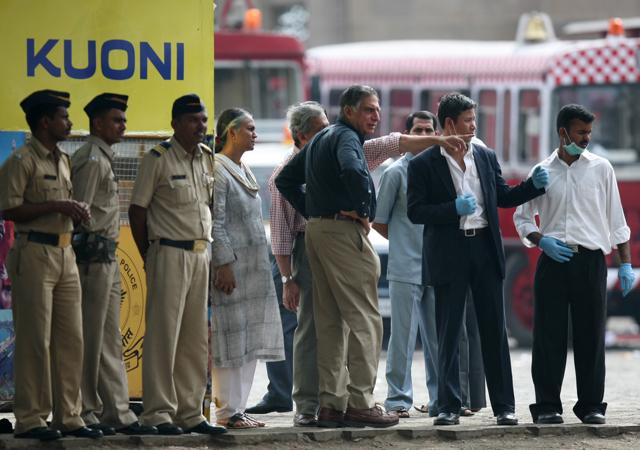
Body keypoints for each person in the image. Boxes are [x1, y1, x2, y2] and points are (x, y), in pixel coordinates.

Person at [276, 86, 467, 428]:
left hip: (319, 233)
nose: (375, 116)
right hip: (342, 234)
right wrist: (362, 210)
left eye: (377, 110)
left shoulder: (324, 138)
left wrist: (316, 210)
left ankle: (332, 405)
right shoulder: (347, 140)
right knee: (365, 319)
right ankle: (361, 402)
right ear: (348, 111)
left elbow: (287, 179)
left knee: (331, 321)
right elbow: (351, 169)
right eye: (368, 110)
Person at [406, 92, 549, 426]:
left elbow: (502, 196)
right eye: (468, 120)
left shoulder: (484, 156)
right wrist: (451, 210)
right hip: (449, 251)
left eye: (474, 120)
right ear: (451, 123)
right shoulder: (423, 163)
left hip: (483, 248)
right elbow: (415, 210)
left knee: (493, 329)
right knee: (449, 330)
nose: (474, 126)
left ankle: (504, 407)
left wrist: (532, 186)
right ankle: (448, 406)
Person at [513, 104, 635, 425]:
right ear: (562, 132)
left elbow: (617, 221)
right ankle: (548, 405)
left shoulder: (601, 169)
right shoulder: (542, 172)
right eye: (580, 132)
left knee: (591, 334)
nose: (586, 139)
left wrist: (625, 264)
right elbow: (522, 218)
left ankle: (591, 405)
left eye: (589, 133)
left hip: (591, 261)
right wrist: (542, 241)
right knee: (548, 335)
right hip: (553, 261)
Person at [0, 90, 102, 440]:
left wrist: (74, 209)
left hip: (65, 254)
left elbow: (62, 204)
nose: (70, 122)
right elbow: (8, 209)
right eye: (64, 116)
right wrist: (58, 206)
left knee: (71, 339)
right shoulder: (22, 160)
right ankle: (31, 419)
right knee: (34, 340)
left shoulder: (62, 159)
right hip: (34, 254)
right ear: (45, 122)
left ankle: (69, 417)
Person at [128, 94, 226, 436]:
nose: (201, 126)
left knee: (195, 338)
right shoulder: (158, 158)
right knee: (163, 335)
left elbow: (210, 208)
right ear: (176, 124)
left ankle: (190, 412)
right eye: (193, 120)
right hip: (167, 252)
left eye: (203, 120)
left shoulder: (206, 158)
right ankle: (157, 413)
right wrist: (148, 255)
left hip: (201, 253)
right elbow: (137, 211)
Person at [70, 93, 144, 435]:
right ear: (97, 123)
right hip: (91, 257)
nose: (123, 125)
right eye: (116, 119)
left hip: (107, 256)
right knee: (91, 336)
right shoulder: (91, 159)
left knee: (109, 337)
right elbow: (78, 214)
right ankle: (86, 409)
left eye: (124, 119)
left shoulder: (103, 157)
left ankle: (117, 411)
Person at [210, 108, 285, 429]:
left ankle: (238, 409)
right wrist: (223, 263)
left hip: (254, 271)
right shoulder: (218, 169)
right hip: (233, 272)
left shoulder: (242, 168)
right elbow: (216, 220)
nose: (255, 134)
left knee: (249, 339)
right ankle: (227, 411)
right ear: (232, 132)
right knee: (230, 339)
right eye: (250, 129)